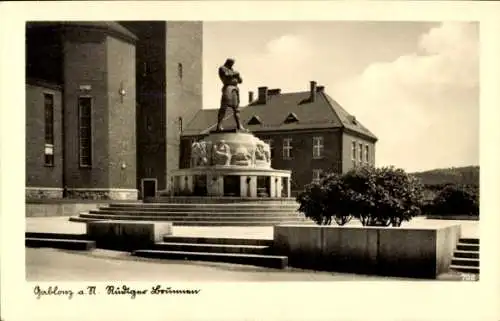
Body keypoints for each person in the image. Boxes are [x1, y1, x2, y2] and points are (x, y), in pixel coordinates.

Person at [216, 58, 244, 131]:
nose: (232, 65)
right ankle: (219, 126)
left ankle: (239, 125)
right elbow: (226, 75)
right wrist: (235, 74)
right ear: (228, 62)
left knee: (237, 109)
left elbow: (240, 81)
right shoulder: (222, 68)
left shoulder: (233, 70)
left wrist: (237, 75)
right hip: (228, 88)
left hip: (235, 89)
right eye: (232, 63)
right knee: (223, 107)